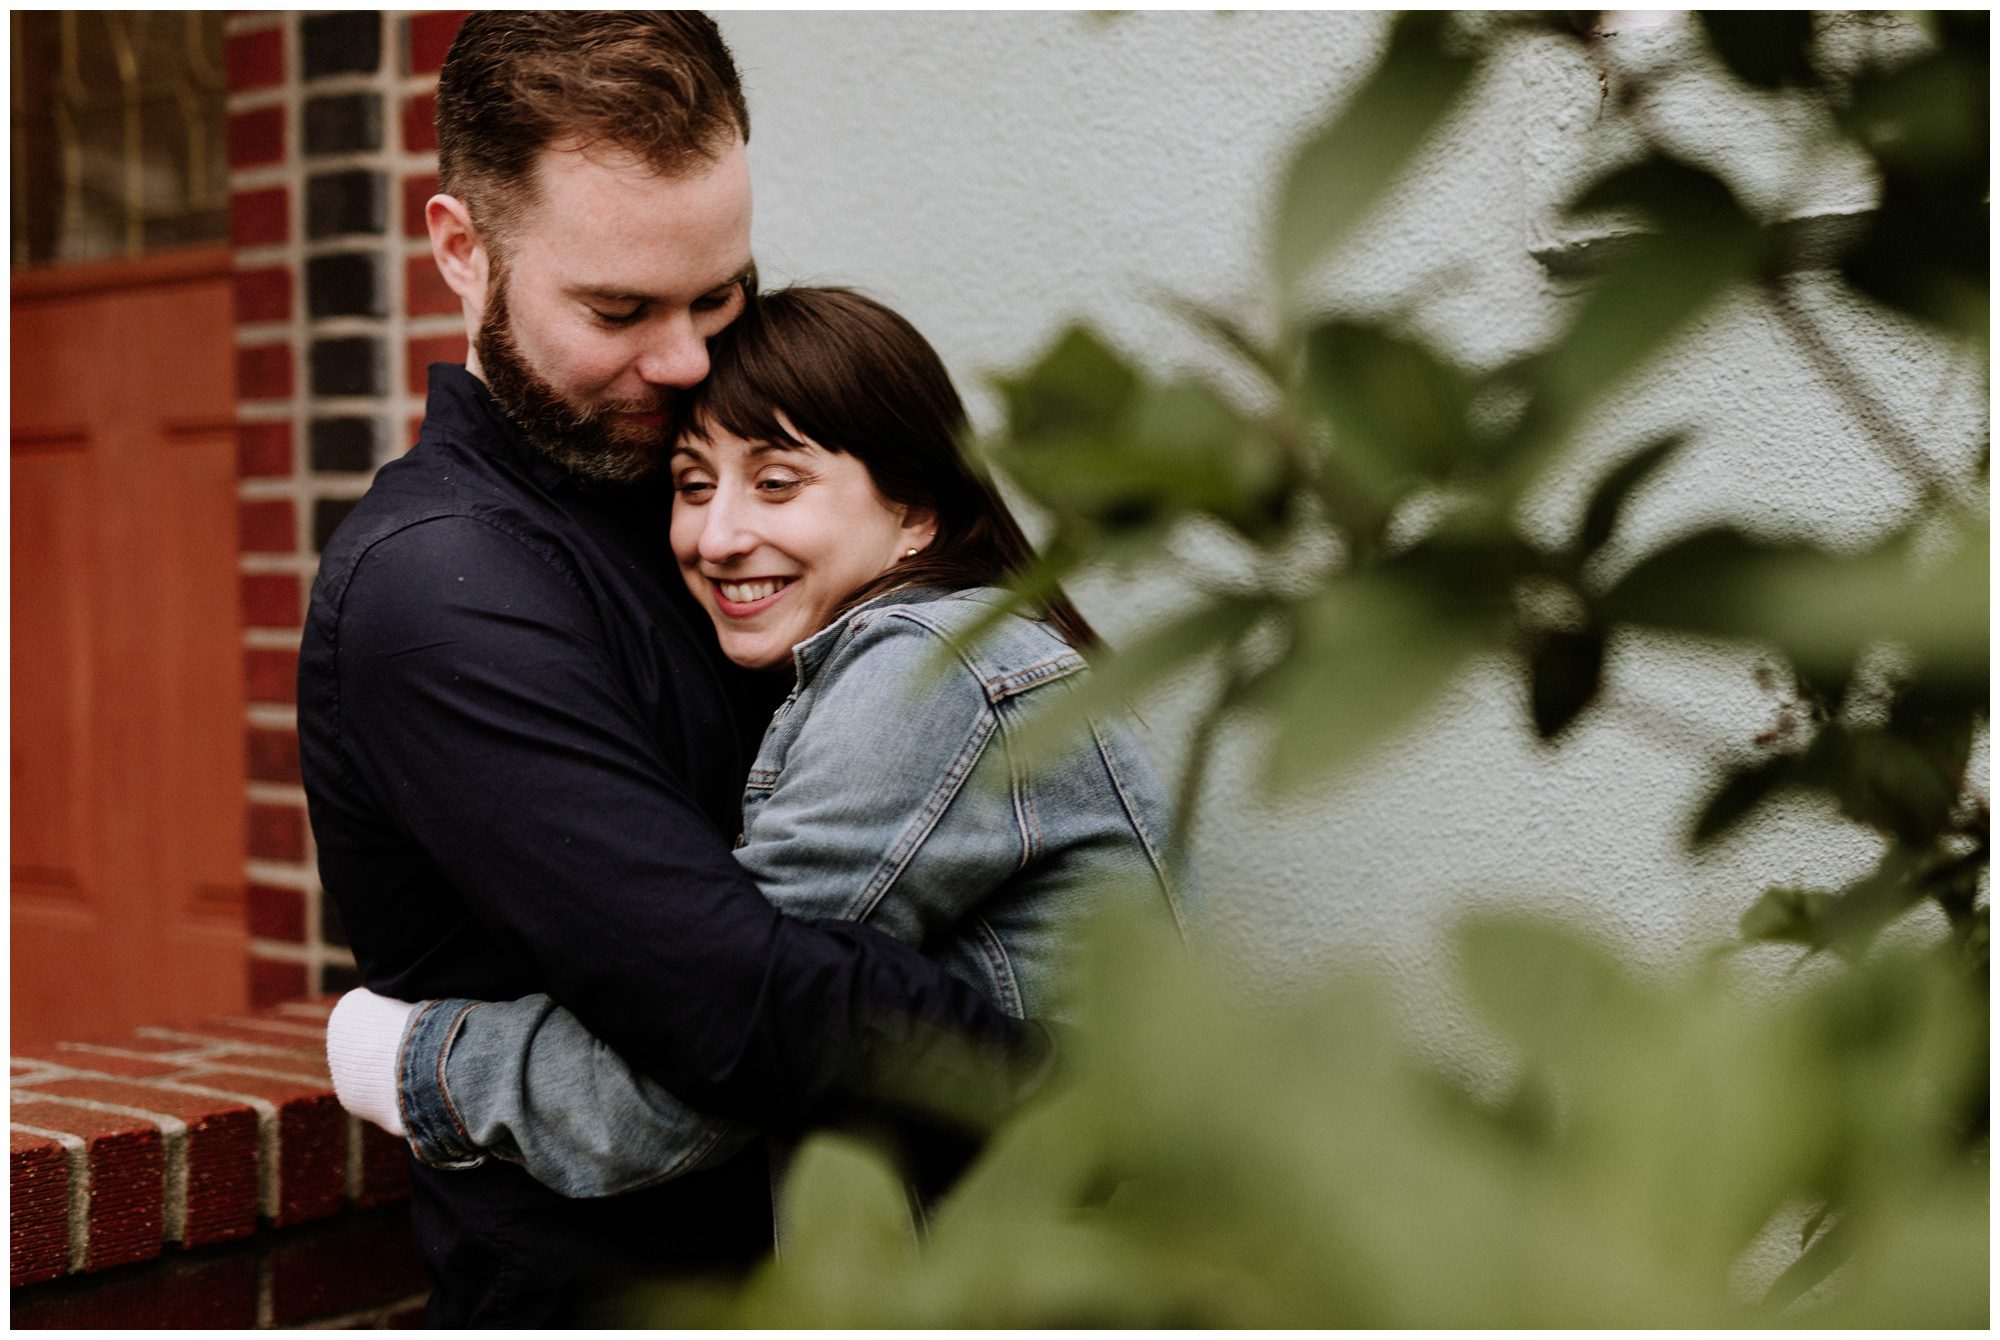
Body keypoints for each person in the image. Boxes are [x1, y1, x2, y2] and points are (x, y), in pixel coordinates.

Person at [299, 14, 1049, 1326]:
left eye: (720, 294)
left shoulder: (692, 509)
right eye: (619, 310)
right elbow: (733, 1003)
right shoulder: (442, 591)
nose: (691, 360)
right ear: (461, 253)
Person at [327, 288, 1197, 1219]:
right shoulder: (937, 651)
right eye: (694, 485)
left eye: (777, 483)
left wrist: (412, 1057)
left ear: (916, 512)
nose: (719, 537)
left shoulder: (929, 671)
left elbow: (704, 1075)